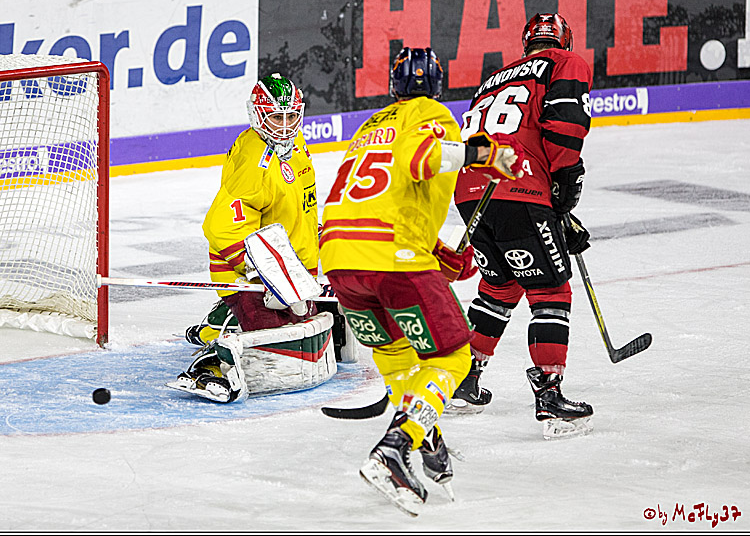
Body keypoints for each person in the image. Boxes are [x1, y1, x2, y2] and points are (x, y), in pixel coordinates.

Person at [320, 47, 523, 514]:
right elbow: (421, 159)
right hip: (393, 256)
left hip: (342, 260)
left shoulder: (369, 127)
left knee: (398, 357)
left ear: (392, 86)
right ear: (436, 84)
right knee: (454, 358)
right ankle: (396, 447)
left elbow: (378, 197)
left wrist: (432, 252)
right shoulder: (432, 113)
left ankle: (426, 441)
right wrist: (483, 153)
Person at [449, 13, 595, 441]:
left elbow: (484, 138)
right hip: (520, 187)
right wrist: (565, 182)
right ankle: (550, 396)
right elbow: (564, 127)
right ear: (562, 41)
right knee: (551, 290)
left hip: (471, 189)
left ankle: (464, 379)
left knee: (500, 287)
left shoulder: (491, 79)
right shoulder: (565, 63)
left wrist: (555, 211)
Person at [171, 72, 329, 403]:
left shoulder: (295, 145)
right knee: (274, 343)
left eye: (291, 116)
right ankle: (213, 361)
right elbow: (221, 227)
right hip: (253, 274)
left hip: (290, 272)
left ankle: (221, 322)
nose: (284, 126)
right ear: (258, 115)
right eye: (275, 117)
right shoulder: (254, 164)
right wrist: (267, 276)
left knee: (304, 322)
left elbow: (300, 206)